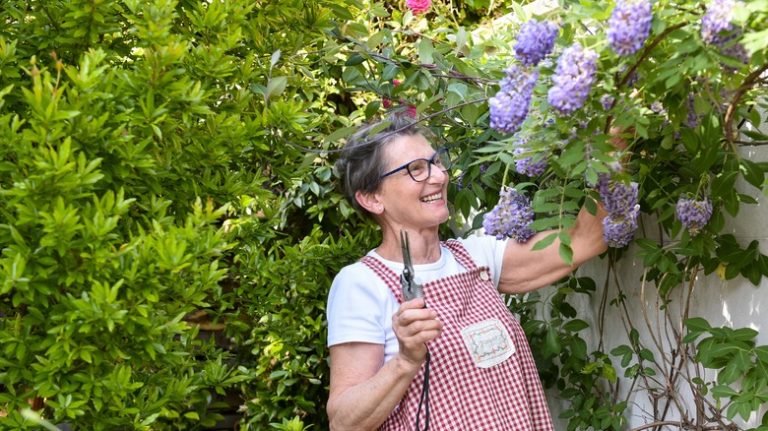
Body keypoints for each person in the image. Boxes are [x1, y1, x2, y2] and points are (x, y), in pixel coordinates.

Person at [326, 115, 610, 430]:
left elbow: (588, 238)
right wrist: (404, 362)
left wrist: (614, 139)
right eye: (415, 170)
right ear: (372, 198)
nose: (437, 177)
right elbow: (343, 421)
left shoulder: (476, 257)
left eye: (435, 162)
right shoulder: (362, 284)